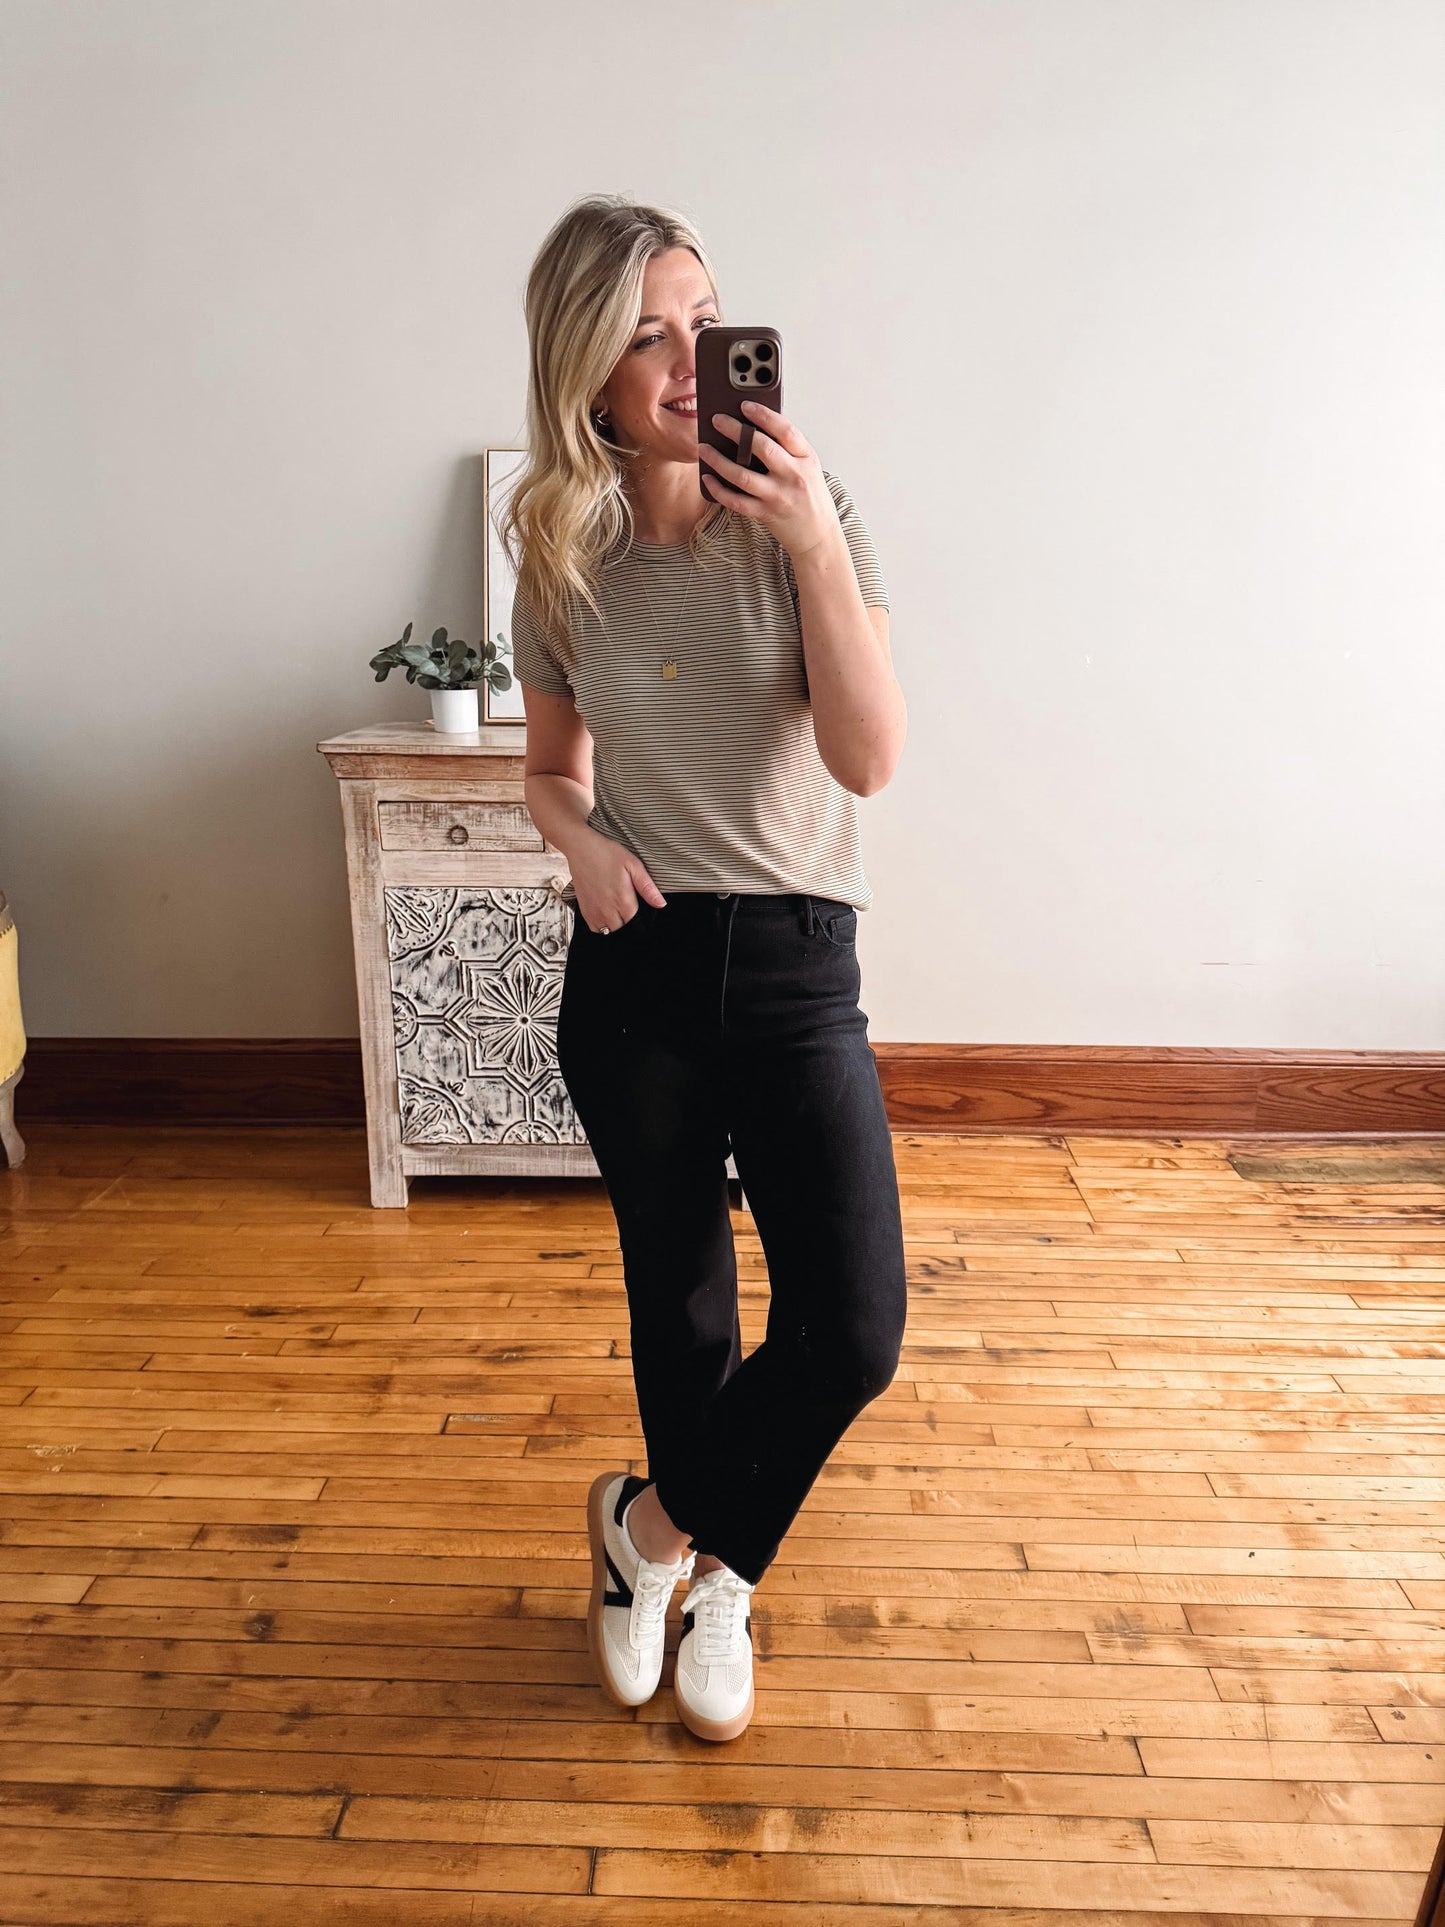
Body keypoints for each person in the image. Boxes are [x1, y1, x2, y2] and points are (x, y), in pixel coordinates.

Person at [501, 193, 908, 1743]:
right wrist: (582, 846)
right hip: (637, 968)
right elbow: (551, 769)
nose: (686, 365)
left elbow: (867, 761)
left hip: (799, 955)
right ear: (586, 372)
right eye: (646, 338)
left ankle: (668, 1546)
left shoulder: (810, 510)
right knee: (680, 1315)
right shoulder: (557, 546)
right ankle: (711, 1567)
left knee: (848, 1328)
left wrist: (807, 539)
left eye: (705, 324)